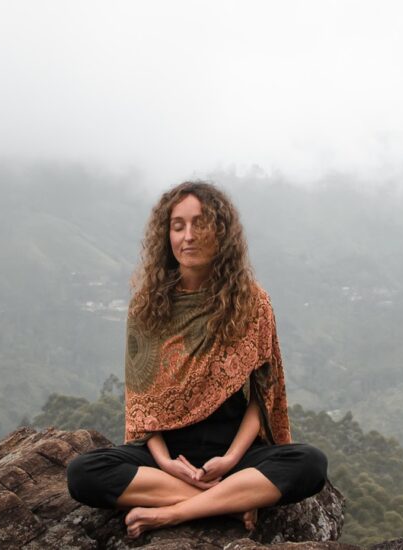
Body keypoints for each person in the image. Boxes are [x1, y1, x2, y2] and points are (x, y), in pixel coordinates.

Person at [65, 181, 328, 539]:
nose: (188, 236)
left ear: (221, 233)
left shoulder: (252, 304)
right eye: (178, 226)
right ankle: (230, 503)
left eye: (199, 224)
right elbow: (143, 407)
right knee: (83, 474)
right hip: (169, 455)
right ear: (166, 236)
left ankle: (173, 513)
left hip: (232, 453)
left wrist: (232, 459)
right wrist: (165, 463)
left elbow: (262, 398)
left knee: (310, 464)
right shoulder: (147, 307)